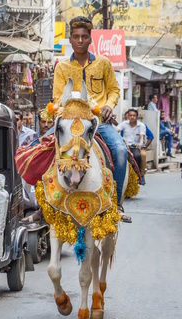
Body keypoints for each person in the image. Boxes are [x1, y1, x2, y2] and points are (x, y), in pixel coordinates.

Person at [52, 16, 126, 207]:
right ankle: (43, 204)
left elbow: (114, 90)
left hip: (98, 122)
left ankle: (115, 203)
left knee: (120, 151)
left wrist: (109, 105)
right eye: (76, 36)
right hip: (69, 123)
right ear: (70, 38)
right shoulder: (61, 67)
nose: (80, 41)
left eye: (84, 37)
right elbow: (58, 97)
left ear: (90, 39)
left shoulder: (103, 63)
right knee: (39, 149)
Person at [117, 108, 147, 185]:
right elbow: (116, 130)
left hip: (136, 146)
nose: (132, 117)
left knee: (140, 155)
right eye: (130, 115)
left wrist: (140, 143)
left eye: (134, 115)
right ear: (128, 116)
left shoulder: (141, 125)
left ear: (137, 116)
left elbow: (141, 137)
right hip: (125, 146)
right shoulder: (124, 124)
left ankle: (141, 175)